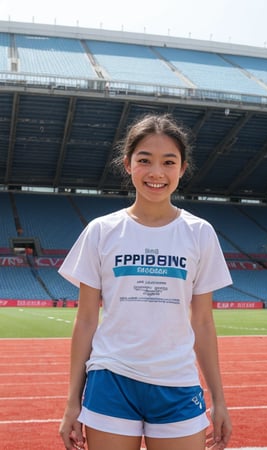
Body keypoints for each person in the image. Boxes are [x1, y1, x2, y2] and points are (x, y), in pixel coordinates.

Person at [58, 113, 232, 450]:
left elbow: (203, 322)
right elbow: (86, 320)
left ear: (182, 169)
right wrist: (72, 403)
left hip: (177, 383)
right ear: (128, 164)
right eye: (144, 160)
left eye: (169, 162)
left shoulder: (199, 233)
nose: (156, 172)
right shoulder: (101, 231)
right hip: (111, 380)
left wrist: (219, 400)